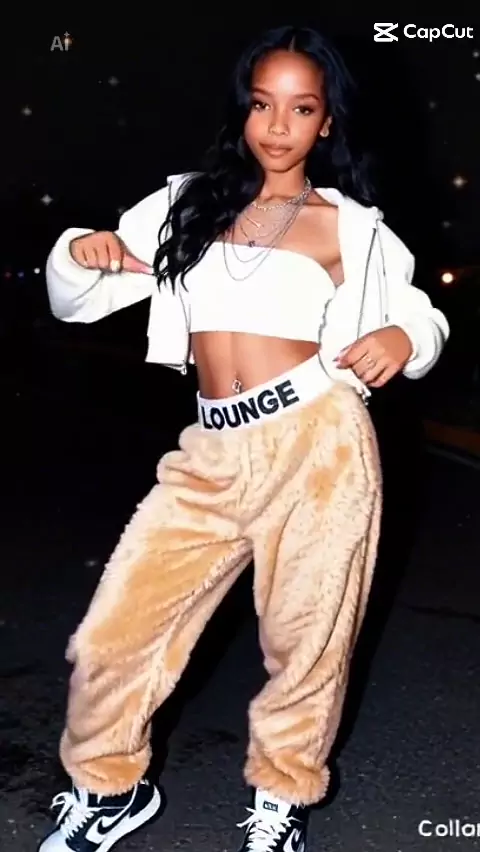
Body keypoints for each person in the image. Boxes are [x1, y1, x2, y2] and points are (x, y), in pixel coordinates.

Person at [39, 24, 449, 852]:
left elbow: (417, 313)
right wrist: (82, 255)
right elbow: (76, 299)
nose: (278, 125)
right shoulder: (186, 204)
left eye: (302, 108)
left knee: (308, 641)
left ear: (326, 122)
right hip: (211, 450)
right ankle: (109, 788)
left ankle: (281, 802)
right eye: (263, 105)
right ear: (243, 110)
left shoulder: (352, 226)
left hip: (318, 446)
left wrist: (405, 338)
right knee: (117, 632)